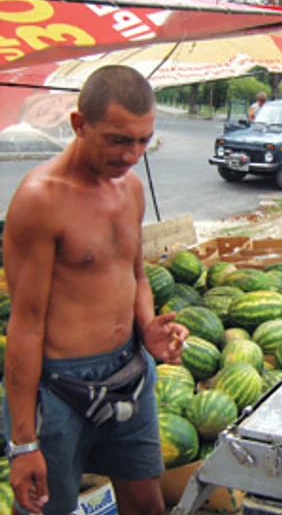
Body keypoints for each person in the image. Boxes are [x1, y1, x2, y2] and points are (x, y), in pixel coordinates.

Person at [2, 65, 188, 515]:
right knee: (52, 506)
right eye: (118, 140)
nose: (132, 155)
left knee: (147, 501)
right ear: (79, 125)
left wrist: (148, 327)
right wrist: (22, 442)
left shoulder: (132, 189)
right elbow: (24, 327)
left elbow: (136, 274)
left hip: (129, 370)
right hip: (60, 387)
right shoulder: (40, 200)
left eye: (144, 140)